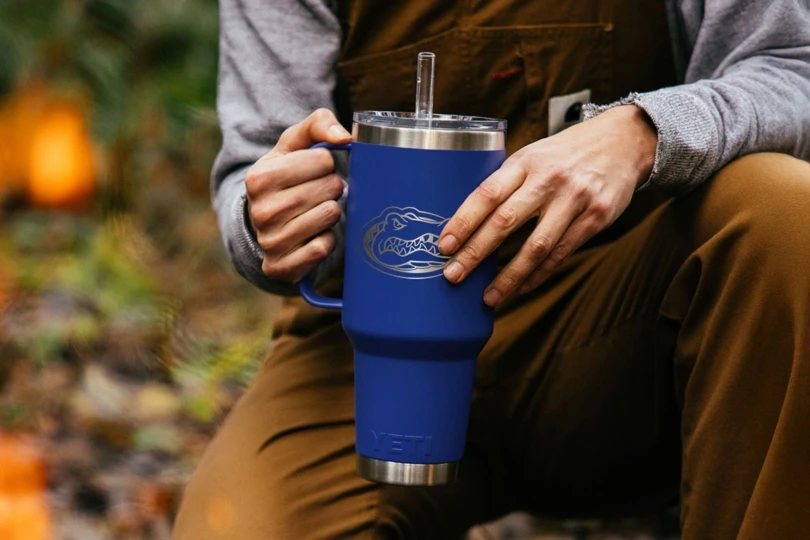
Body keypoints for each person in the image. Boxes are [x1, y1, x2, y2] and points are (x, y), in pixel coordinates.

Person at [173, 0, 810, 538]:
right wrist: (272, 219)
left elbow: (792, 70)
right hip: (368, 364)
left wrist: (643, 131)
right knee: (237, 523)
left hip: (619, 326)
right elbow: (253, 169)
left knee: (786, 212)